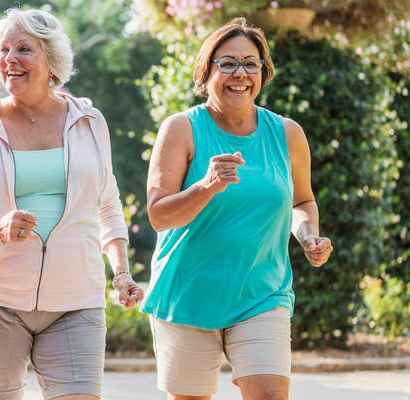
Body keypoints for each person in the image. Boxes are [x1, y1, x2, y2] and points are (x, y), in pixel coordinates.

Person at [0, 8, 144, 400]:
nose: (10, 58)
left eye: (24, 49)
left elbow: (108, 205)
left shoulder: (89, 121)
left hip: (76, 301)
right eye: (3, 49)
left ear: (52, 62)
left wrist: (121, 273)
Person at [142, 18, 333, 400]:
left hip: (262, 294)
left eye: (251, 63)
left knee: (271, 395)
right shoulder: (181, 128)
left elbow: (301, 201)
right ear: (206, 72)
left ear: (263, 71)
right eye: (226, 63)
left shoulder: (288, 134)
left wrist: (309, 235)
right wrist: (206, 186)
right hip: (188, 295)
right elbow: (160, 214)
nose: (240, 74)